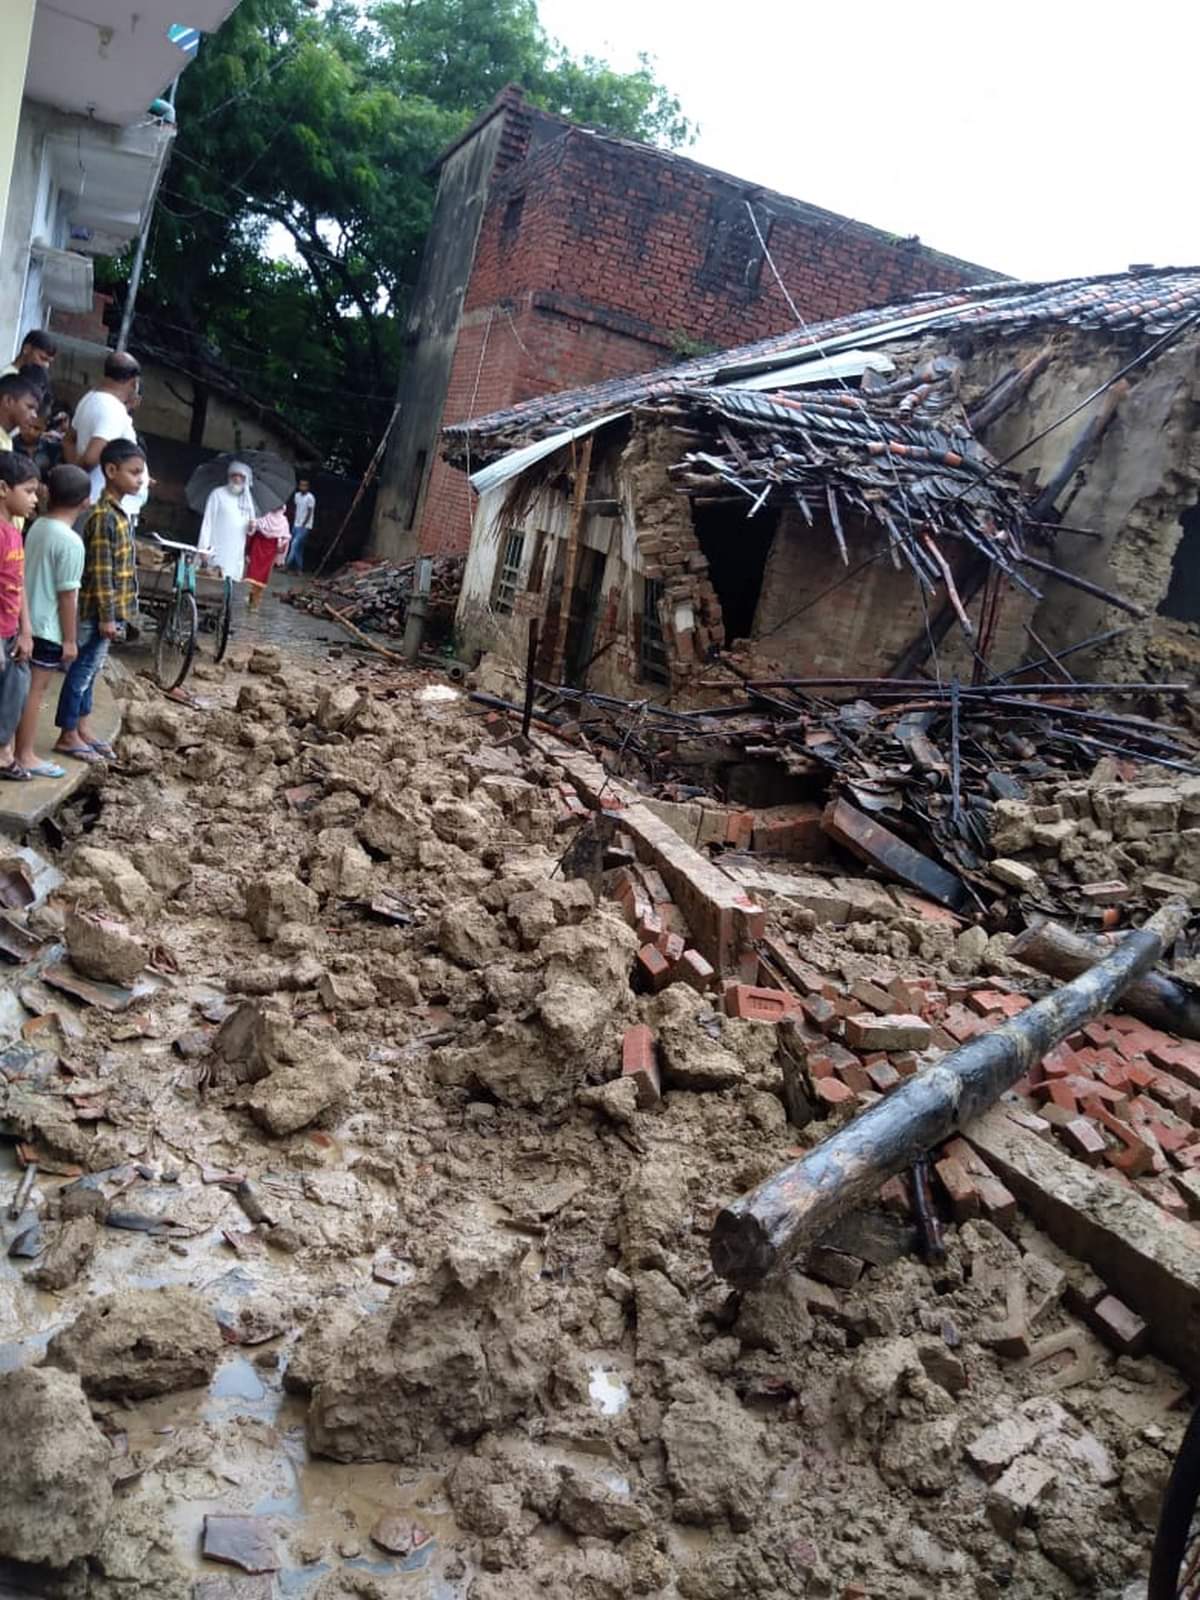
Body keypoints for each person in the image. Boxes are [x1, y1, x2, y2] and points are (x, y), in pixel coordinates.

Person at [54, 440, 145, 766]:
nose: (140, 479)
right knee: (82, 671)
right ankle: (67, 733)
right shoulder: (104, 517)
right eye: (134, 472)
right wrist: (108, 617)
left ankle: (82, 727)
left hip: (109, 611)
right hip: (98, 611)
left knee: (92, 671)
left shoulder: (119, 515)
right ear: (111, 471)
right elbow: (102, 573)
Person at [10, 465, 89, 781]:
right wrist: (70, 639)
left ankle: (12, 750)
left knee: (19, 689)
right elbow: (67, 596)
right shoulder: (71, 542)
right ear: (85, 502)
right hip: (47, 628)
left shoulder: (38, 526)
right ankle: (25, 754)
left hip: (24, 619)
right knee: (35, 692)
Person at [0, 453, 37, 775]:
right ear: (3, 489)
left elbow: (19, 582)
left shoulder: (13, 532)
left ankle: (3, 751)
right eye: (29, 491)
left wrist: (26, 629)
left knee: (15, 689)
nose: (34, 499)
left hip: (11, 632)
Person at [67, 352, 139, 501]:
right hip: (97, 499)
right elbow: (90, 459)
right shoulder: (114, 410)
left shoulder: (90, 397)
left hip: (86, 496)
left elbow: (68, 440)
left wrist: (72, 471)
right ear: (134, 382)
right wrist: (74, 477)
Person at [198, 459, 254, 582]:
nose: (237, 479)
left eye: (241, 476)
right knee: (210, 582)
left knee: (231, 583)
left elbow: (249, 530)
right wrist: (203, 548)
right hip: (216, 549)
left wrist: (251, 526)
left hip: (235, 552)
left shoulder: (247, 501)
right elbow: (207, 522)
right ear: (229, 476)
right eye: (234, 475)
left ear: (246, 479)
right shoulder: (217, 494)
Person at [244, 504, 290, 610]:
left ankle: (254, 598)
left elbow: (252, 529)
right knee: (260, 575)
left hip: (261, 547)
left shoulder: (264, 516)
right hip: (267, 549)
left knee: (257, 574)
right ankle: (254, 599)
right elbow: (286, 538)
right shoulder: (283, 521)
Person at [0, 372, 42, 452]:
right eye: (30, 407)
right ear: (8, 401)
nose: (34, 415)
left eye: (35, 411)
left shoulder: (6, 441)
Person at [285, 475, 315, 571]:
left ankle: (286, 565)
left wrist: (303, 524)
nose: (302, 487)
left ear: (308, 487)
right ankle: (299, 569)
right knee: (298, 548)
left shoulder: (310, 498)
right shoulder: (297, 496)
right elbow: (296, 508)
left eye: (304, 485)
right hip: (296, 524)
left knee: (294, 544)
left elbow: (310, 512)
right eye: (301, 485)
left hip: (305, 526)